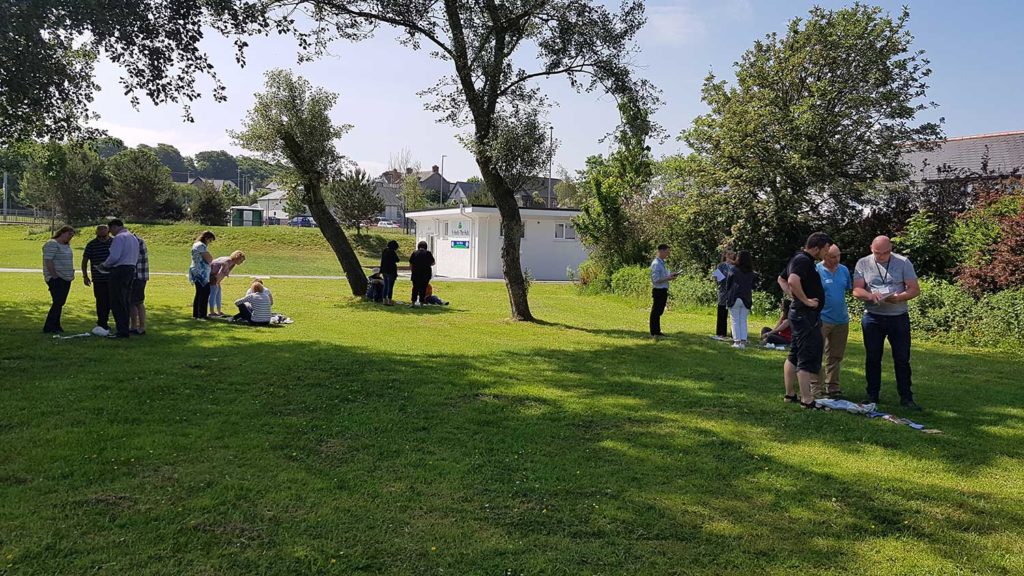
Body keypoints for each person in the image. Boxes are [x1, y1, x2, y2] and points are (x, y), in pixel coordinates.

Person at [853, 236, 922, 410]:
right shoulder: (863, 263)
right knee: (873, 357)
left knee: (902, 358)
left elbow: (914, 289)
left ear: (891, 249)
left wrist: (899, 298)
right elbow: (857, 289)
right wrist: (870, 296)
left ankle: (906, 397)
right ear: (871, 248)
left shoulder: (903, 262)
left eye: (886, 253)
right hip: (873, 317)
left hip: (898, 316)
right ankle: (872, 395)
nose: (882, 256)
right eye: (878, 253)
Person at [778, 232, 832, 409]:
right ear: (816, 248)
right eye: (825, 249)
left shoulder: (798, 258)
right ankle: (807, 400)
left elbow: (782, 279)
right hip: (805, 315)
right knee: (806, 355)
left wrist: (793, 296)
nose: (827, 253)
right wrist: (806, 300)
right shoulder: (804, 260)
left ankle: (789, 394)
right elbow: (792, 280)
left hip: (800, 314)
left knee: (794, 352)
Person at [815, 244, 852, 399]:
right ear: (824, 255)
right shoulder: (817, 270)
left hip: (841, 319)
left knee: (835, 356)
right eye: (832, 257)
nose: (836, 260)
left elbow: (848, 289)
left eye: (838, 256)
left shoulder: (843, 270)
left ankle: (833, 387)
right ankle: (815, 388)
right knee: (816, 353)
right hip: (822, 318)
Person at [100, 219, 139, 339]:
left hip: (119, 270)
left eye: (110, 229)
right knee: (125, 300)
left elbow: (114, 256)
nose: (110, 233)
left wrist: (104, 265)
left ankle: (121, 331)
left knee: (116, 301)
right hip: (131, 269)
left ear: (115, 227)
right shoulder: (133, 237)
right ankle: (125, 328)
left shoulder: (119, 237)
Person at [42, 225, 76, 334]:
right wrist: (54, 276)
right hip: (57, 277)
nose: (70, 237)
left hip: (66, 277)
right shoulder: (52, 244)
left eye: (72, 235)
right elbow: (48, 261)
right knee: (58, 302)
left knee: (60, 302)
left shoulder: (66, 246)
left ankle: (56, 325)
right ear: (62, 232)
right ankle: (49, 326)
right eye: (69, 234)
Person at [81, 225, 112, 332]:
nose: (102, 239)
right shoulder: (91, 244)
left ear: (109, 233)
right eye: (99, 236)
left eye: (104, 236)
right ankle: (102, 323)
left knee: (113, 301)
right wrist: (85, 276)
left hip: (113, 278)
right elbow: (84, 261)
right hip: (98, 279)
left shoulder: (114, 243)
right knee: (101, 302)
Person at [724, 250, 756, 349]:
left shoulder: (733, 270)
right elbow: (753, 286)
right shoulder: (752, 272)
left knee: (735, 320)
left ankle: (737, 342)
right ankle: (743, 340)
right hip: (747, 297)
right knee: (743, 320)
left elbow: (728, 283)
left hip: (735, 296)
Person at [649, 243, 680, 337]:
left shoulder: (662, 263)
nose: (668, 254)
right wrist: (668, 278)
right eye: (667, 252)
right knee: (656, 311)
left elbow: (664, 275)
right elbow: (656, 280)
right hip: (658, 290)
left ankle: (657, 331)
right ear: (661, 251)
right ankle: (654, 332)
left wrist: (671, 275)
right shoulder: (656, 264)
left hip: (663, 290)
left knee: (659, 311)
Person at [209, 250, 246, 317]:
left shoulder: (233, 263)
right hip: (211, 275)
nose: (242, 262)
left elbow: (225, 273)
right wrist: (216, 283)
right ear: (237, 258)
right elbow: (219, 274)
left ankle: (219, 311)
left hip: (215, 276)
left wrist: (218, 283)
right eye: (241, 260)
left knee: (218, 292)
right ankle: (211, 312)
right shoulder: (227, 262)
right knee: (213, 292)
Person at [189, 231, 216, 319]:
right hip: (201, 272)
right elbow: (209, 259)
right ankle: (202, 315)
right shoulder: (201, 246)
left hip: (198, 271)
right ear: (206, 238)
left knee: (199, 292)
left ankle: (196, 314)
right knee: (204, 292)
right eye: (210, 240)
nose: (210, 242)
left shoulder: (196, 244)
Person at [713, 249, 736, 340]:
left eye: (732, 254)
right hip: (723, 292)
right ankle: (721, 333)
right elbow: (717, 278)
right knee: (722, 312)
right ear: (725, 255)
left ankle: (734, 333)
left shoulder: (736, 266)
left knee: (734, 314)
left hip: (734, 292)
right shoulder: (721, 265)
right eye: (729, 254)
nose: (730, 255)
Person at [130, 235, 149, 335]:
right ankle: (133, 326)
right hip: (137, 276)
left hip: (138, 276)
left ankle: (141, 327)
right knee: (132, 302)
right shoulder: (136, 240)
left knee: (137, 302)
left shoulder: (136, 242)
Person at [408, 240, 435, 307]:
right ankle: (421, 303)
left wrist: (412, 270)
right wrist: (427, 264)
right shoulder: (428, 253)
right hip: (426, 274)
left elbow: (410, 263)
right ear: (426, 246)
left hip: (416, 274)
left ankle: (413, 303)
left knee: (415, 288)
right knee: (423, 288)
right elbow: (433, 263)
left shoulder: (414, 253)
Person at [380, 240, 400, 306]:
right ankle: (389, 300)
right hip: (391, 271)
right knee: (390, 286)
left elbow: (382, 261)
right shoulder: (392, 252)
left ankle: (384, 300)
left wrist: (381, 270)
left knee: (385, 285)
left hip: (384, 270)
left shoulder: (384, 251)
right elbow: (397, 260)